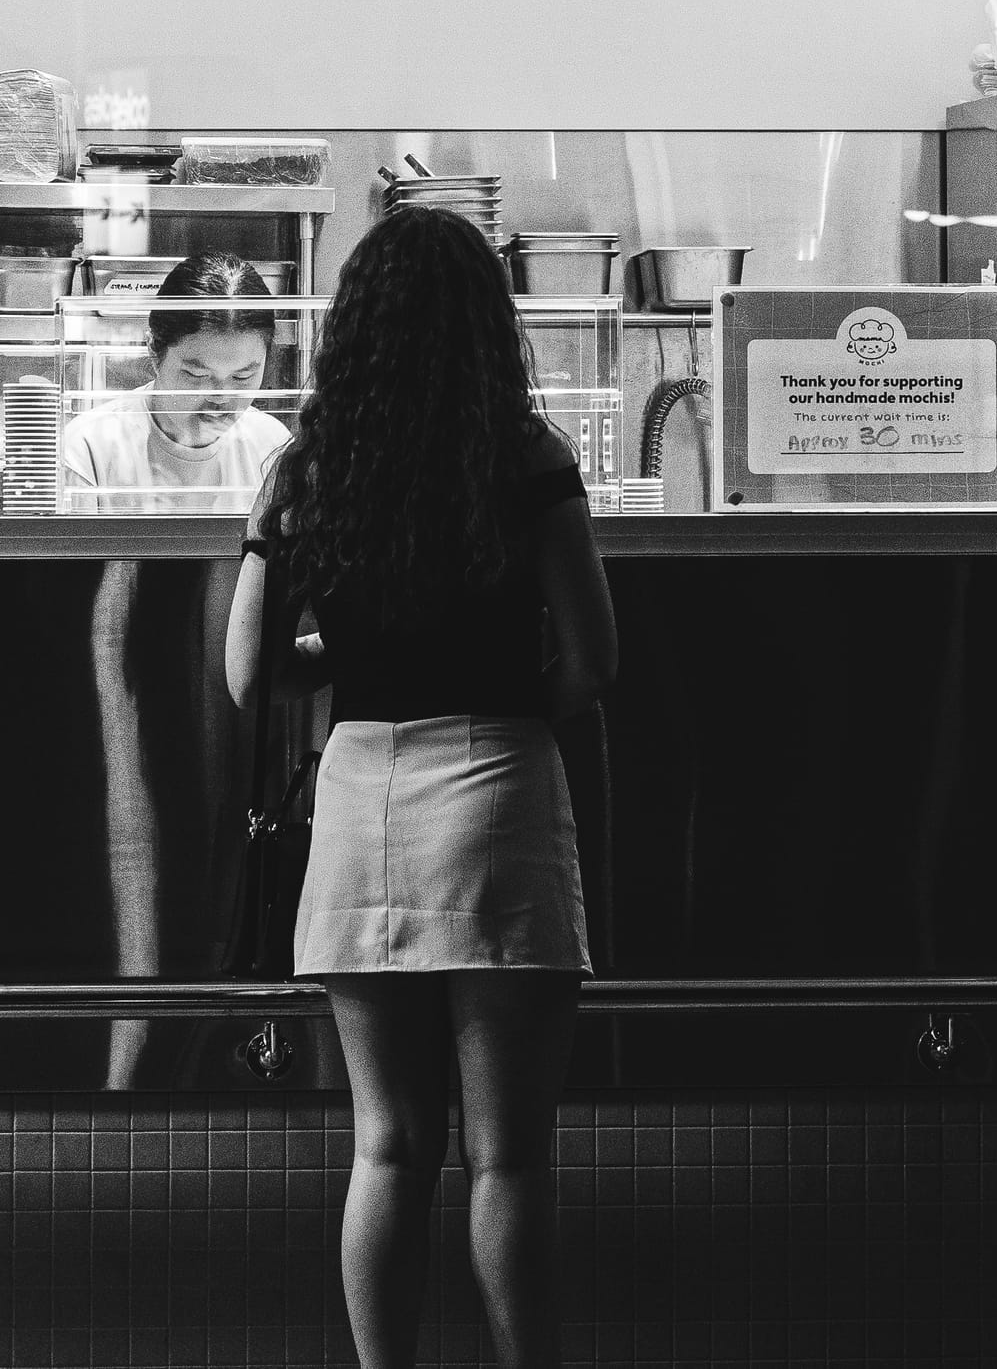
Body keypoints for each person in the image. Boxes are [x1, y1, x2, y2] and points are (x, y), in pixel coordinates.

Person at [225, 206, 617, 1369]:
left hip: (360, 794)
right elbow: (593, 661)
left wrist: (333, 651)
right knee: (508, 1155)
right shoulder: (526, 455)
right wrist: (498, 697)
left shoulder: (309, 465)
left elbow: (250, 672)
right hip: (496, 783)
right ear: (487, 324)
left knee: (387, 1145)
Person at [64, 252, 287, 513]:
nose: (221, 397)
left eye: (242, 377)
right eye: (196, 375)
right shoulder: (88, 448)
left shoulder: (273, 448)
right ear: (154, 351)